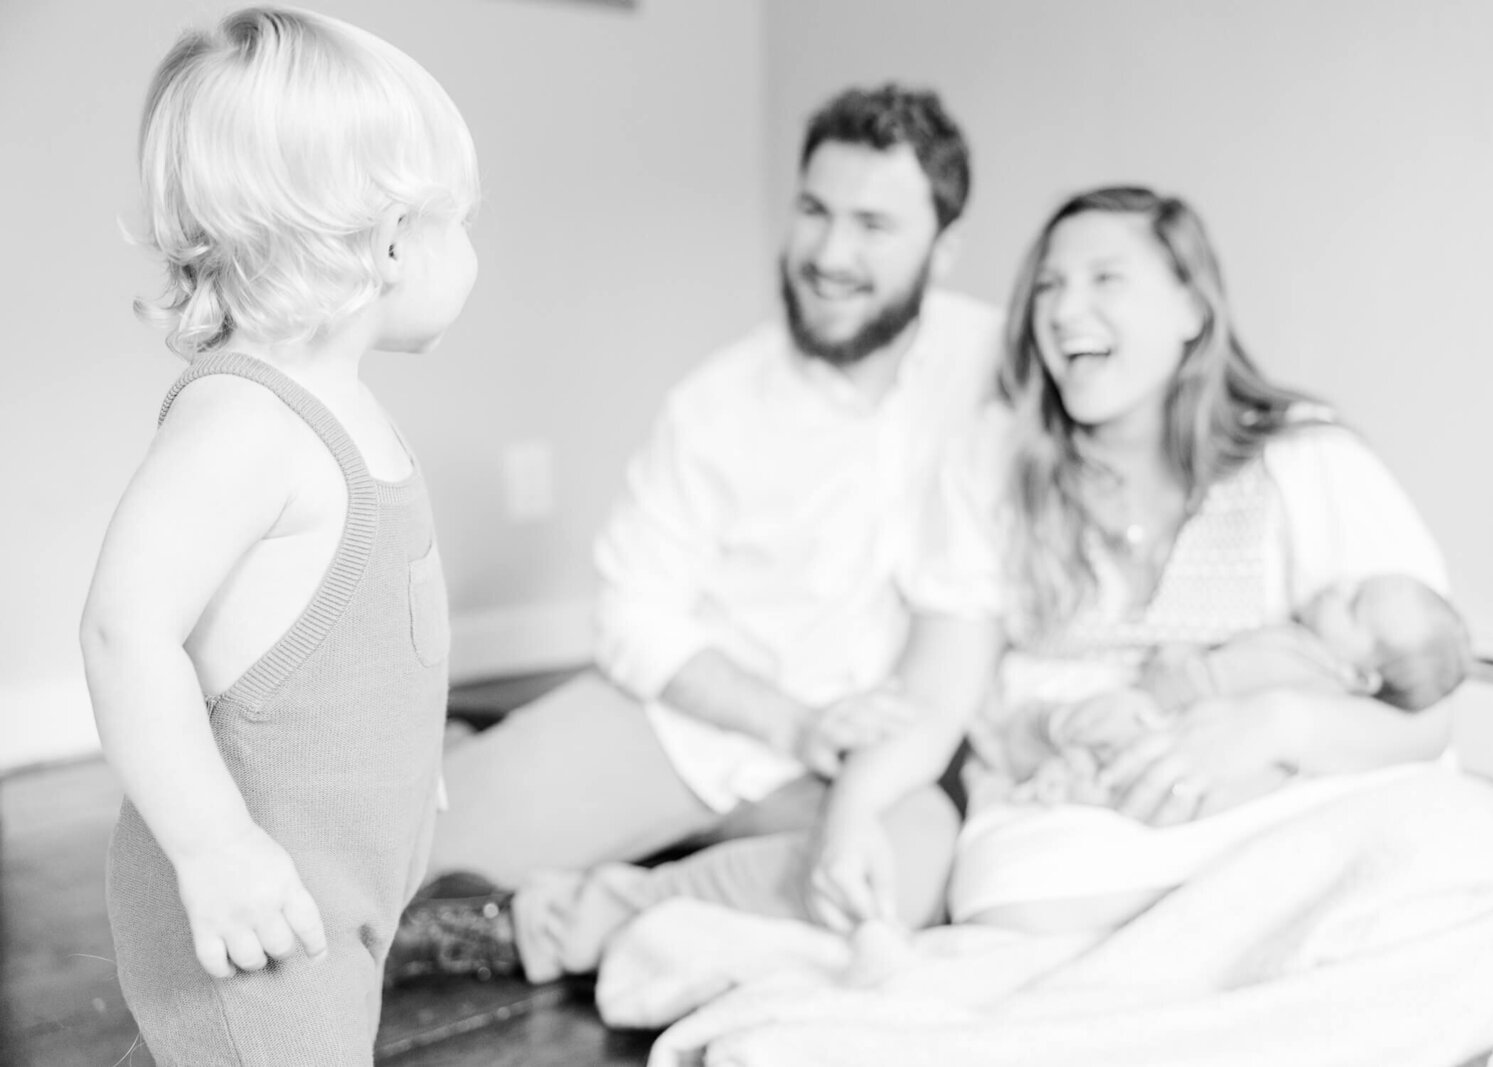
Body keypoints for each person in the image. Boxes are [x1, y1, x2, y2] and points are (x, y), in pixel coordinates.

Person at [387, 84, 1001, 984]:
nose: (830, 253)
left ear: (944, 246)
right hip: (683, 726)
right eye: (815, 211)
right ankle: (478, 757)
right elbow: (634, 619)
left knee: (904, 879)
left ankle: (552, 921)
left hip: (853, 776)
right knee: (394, 861)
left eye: (874, 224)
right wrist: (790, 718)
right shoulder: (715, 405)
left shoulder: (997, 365)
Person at [805, 184, 1460, 945]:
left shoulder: (1308, 457)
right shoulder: (992, 464)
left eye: (1104, 278)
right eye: (1048, 284)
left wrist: (1274, 725)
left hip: (1269, 798)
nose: (1062, 308)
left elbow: (1429, 718)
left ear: (1192, 308)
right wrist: (849, 815)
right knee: (1014, 900)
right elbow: (935, 696)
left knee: (1409, 838)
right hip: (1076, 818)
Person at [81, 9, 479, 1064]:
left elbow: (369, 646)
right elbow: (127, 631)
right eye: (462, 222)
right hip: (258, 909)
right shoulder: (245, 424)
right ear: (394, 240)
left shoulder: (349, 409)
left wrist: (408, 763)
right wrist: (214, 847)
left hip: (339, 892)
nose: (471, 250)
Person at [1009, 572, 1472, 805]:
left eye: (1352, 604)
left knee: (1089, 721)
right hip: (1199, 749)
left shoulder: (1293, 657)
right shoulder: (1323, 675)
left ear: (1361, 676)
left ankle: (1048, 752)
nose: (1337, 587)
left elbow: (1207, 680)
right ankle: (1075, 776)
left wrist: (1160, 678)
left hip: (1167, 722)